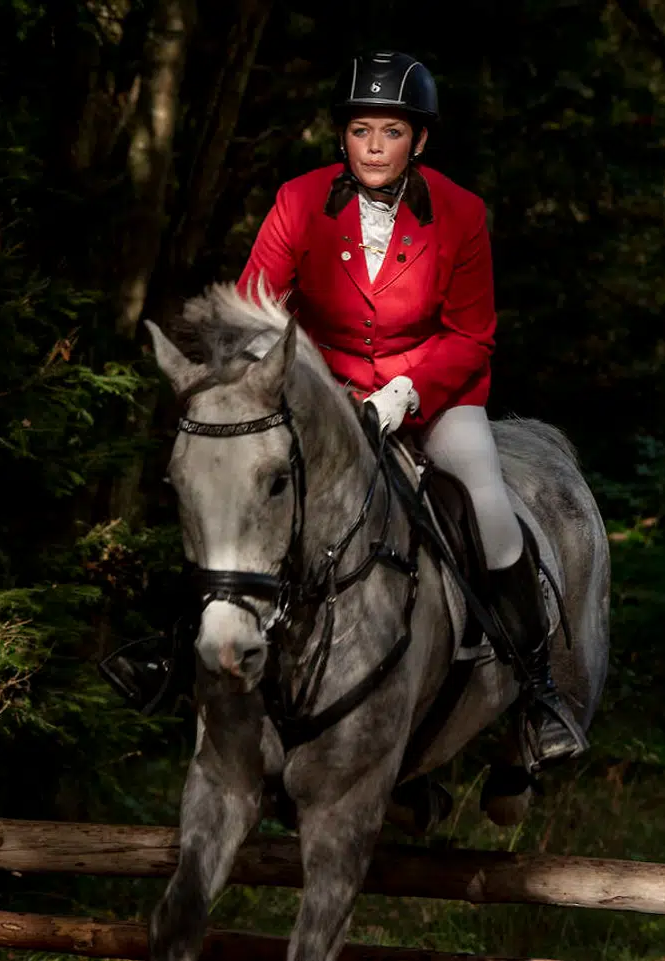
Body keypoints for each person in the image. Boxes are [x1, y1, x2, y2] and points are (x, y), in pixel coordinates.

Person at [230, 49, 586, 772]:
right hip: (326, 394)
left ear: (418, 140)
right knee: (236, 483)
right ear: (342, 136)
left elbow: (472, 335)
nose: (373, 147)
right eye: (361, 130)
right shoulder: (298, 201)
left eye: (390, 132)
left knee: (487, 503)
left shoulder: (462, 213)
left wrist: (404, 392)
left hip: (434, 394)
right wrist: (285, 378)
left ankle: (539, 690)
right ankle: (184, 652)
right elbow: (253, 308)